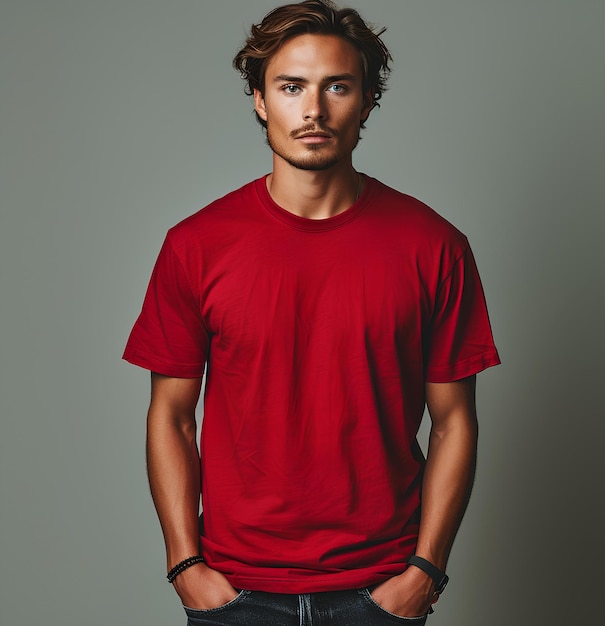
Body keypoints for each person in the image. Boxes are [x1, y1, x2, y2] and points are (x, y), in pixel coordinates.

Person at [123, 1, 500, 623]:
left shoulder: (434, 246)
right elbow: (170, 417)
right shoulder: (195, 245)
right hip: (233, 593)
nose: (314, 110)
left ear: (368, 100)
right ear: (259, 99)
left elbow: (456, 421)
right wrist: (185, 566)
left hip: (380, 589)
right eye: (291, 86)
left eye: (338, 86)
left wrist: (425, 573)